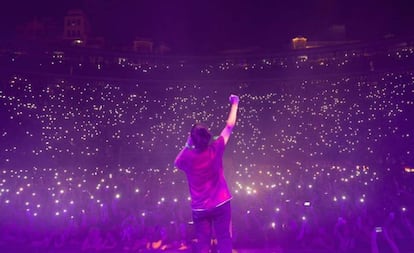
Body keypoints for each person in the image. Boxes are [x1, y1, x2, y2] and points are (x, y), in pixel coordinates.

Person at [174, 94, 240, 253]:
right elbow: (230, 125)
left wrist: (187, 144)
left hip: (200, 208)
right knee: (224, 238)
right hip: (221, 203)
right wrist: (235, 103)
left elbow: (176, 162)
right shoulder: (215, 149)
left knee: (203, 244)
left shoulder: (188, 157)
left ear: (192, 139)